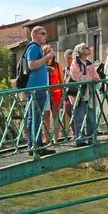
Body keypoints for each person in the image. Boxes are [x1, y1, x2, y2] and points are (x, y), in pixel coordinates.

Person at [23, 26, 56, 156]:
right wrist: (48, 56)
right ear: (35, 34)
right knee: (36, 117)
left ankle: (33, 146)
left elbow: (35, 66)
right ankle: (37, 146)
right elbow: (31, 65)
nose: (45, 36)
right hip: (36, 89)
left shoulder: (35, 48)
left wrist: (46, 68)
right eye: (43, 33)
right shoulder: (34, 47)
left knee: (34, 117)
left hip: (35, 87)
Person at [70, 43, 100, 146]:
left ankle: (91, 137)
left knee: (91, 117)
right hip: (79, 94)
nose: (89, 48)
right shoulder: (76, 62)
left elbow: (96, 75)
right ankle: (80, 140)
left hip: (89, 92)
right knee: (79, 117)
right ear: (81, 51)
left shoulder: (89, 63)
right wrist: (90, 79)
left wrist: (95, 79)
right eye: (86, 48)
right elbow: (75, 75)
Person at [42, 44, 63, 144]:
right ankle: (46, 138)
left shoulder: (57, 65)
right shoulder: (41, 66)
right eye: (48, 51)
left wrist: (63, 93)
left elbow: (62, 81)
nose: (51, 52)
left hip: (56, 93)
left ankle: (55, 138)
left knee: (55, 116)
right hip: (45, 93)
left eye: (52, 50)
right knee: (46, 117)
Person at [63, 49, 76, 135]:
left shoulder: (76, 69)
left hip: (75, 94)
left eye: (71, 58)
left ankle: (80, 132)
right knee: (69, 114)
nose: (69, 60)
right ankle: (74, 133)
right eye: (67, 58)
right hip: (67, 95)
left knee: (78, 114)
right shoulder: (64, 70)